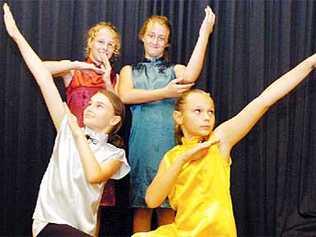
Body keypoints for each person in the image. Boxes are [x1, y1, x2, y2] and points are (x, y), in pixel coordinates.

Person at [133, 53, 316, 236]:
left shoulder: (219, 141)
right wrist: (182, 159)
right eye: (198, 111)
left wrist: (309, 63)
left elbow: (263, 101)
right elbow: (152, 200)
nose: (206, 117)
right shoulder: (173, 157)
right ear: (179, 117)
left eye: (210, 112)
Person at [3, 4, 130, 237]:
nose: (90, 107)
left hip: (82, 228)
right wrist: (17, 35)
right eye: (90, 103)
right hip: (50, 223)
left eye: (98, 104)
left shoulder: (115, 155)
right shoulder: (67, 128)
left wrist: (77, 132)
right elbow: (42, 76)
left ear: (113, 119)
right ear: (90, 42)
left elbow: (93, 175)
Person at [118, 6, 216, 233]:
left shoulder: (175, 70)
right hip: (141, 146)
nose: (155, 41)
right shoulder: (128, 70)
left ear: (167, 43)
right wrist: (165, 92)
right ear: (142, 36)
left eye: (161, 38)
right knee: (141, 206)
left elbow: (191, 76)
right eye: (151, 35)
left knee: (168, 207)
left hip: (169, 144)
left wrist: (204, 34)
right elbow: (125, 96)